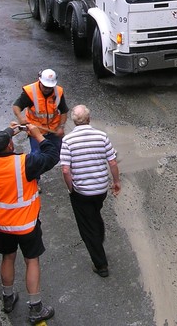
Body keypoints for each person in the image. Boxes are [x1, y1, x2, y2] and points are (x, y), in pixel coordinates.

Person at [0, 123, 59, 323]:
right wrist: (36, 135)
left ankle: (8, 298)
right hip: (26, 224)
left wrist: (8, 131)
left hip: (2, 224)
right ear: (10, 146)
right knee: (31, 261)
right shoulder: (25, 163)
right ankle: (36, 308)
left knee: (7, 257)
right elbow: (52, 155)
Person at [60, 105, 121, 277]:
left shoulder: (68, 141)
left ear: (73, 120)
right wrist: (116, 182)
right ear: (89, 118)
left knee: (87, 227)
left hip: (82, 192)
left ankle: (100, 265)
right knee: (94, 213)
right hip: (101, 189)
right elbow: (113, 162)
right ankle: (99, 235)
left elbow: (65, 170)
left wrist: (71, 189)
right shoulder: (102, 136)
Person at [12, 69, 68, 155]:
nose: (47, 89)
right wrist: (20, 118)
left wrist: (61, 127)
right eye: (45, 87)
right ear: (40, 81)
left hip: (54, 130)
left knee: (58, 153)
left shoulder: (58, 92)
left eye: (50, 87)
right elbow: (16, 106)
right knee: (37, 155)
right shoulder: (30, 92)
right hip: (36, 131)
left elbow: (64, 111)